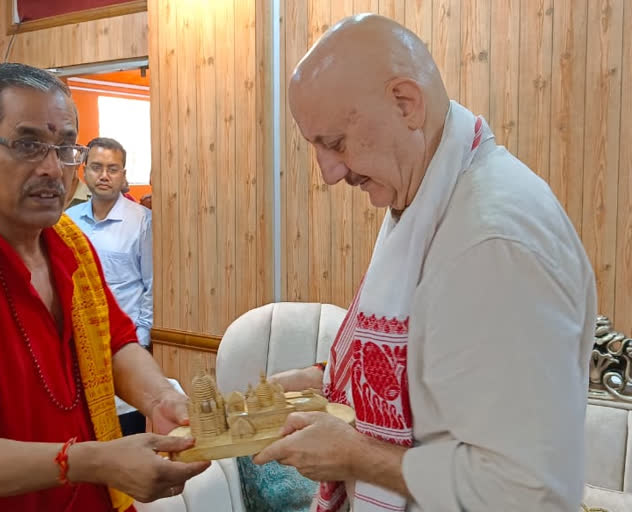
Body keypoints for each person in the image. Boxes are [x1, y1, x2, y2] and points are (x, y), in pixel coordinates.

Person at [255, 14, 596, 512]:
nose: (328, 173)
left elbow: (525, 490)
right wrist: (319, 381)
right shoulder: (434, 198)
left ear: (405, 103)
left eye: (335, 143)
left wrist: (356, 456)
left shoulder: (491, 243)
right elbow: (434, 368)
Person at [0, 62, 208, 512]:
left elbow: (115, 345)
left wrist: (162, 398)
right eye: (28, 144)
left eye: (66, 146)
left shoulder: (70, 243)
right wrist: (86, 461)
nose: (53, 168)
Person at [66, 138, 153, 349]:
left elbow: (152, 288)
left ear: (123, 175)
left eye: (112, 169)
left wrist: (140, 341)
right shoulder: (68, 221)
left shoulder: (143, 221)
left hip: (125, 343)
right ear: (84, 172)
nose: (104, 176)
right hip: (78, 341)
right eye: (96, 167)